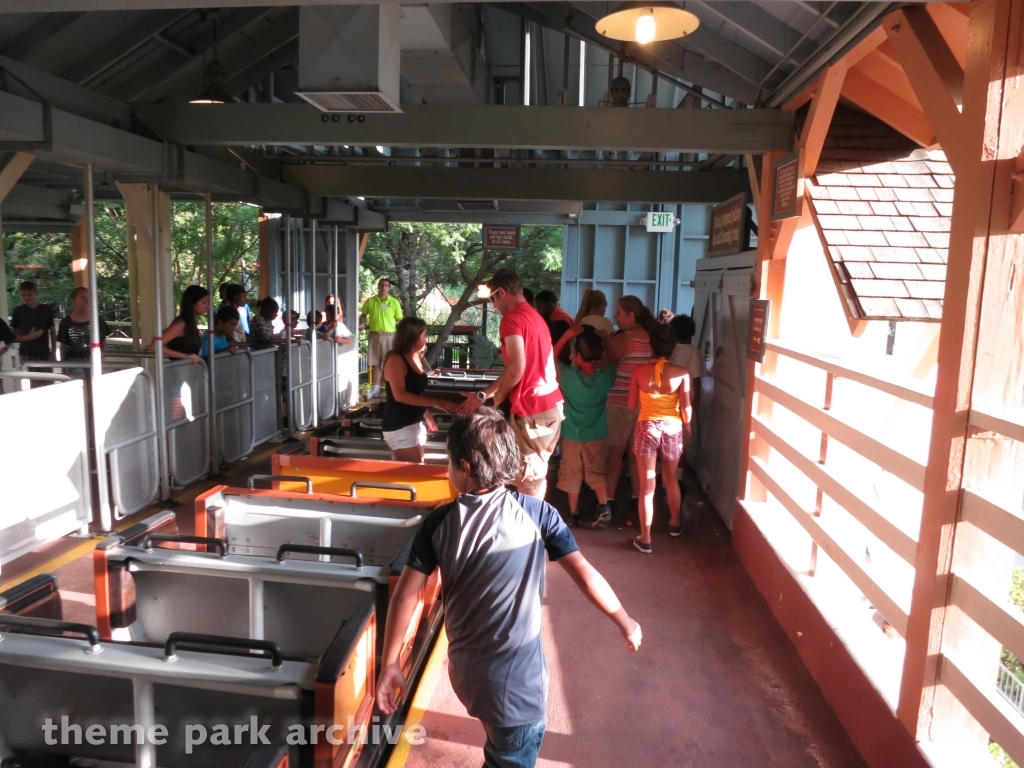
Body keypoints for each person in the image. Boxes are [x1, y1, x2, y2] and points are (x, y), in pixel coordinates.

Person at [375, 408, 642, 768]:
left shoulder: (438, 522)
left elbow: (406, 594)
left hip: (467, 674)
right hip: (518, 690)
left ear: (465, 468)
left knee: (500, 746)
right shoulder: (538, 514)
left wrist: (390, 661)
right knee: (511, 755)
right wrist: (624, 620)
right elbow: (585, 574)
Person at [458, 268, 563, 499]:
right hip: (550, 407)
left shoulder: (512, 319)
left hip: (532, 410)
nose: (494, 306)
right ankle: (533, 525)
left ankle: (528, 531)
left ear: (501, 292)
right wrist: (483, 395)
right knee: (536, 476)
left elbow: (516, 369)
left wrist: (499, 398)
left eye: (493, 299)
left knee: (528, 482)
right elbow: (514, 368)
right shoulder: (534, 317)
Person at [628, 324, 692, 553]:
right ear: (673, 346)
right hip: (672, 429)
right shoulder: (682, 372)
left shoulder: (638, 370)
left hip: (646, 427)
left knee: (647, 485)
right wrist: (688, 427)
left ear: (650, 345)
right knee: (671, 477)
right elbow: (687, 408)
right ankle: (675, 524)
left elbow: (630, 404)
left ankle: (645, 539)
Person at [596, 295, 656, 528]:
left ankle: (608, 500)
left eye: (619, 313)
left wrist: (604, 339)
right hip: (645, 404)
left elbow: (605, 362)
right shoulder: (652, 338)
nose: (615, 317)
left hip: (621, 403)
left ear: (631, 316)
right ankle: (638, 497)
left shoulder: (626, 338)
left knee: (614, 454)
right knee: (636, 455)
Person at [553, 324, 616, 527]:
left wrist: (566, 335)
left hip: (572, 435)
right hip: (597, 435)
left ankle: (573, 513)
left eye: (574, 354)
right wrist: (606, 339)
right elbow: (614, 360)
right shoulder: (605, 378)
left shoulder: (569, 378)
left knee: (572, 474)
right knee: (597, 472)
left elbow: (550, 358)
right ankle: (604, 506)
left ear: (579, 356)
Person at [381, 317, 458, 462]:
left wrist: (426, 414)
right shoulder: (395, 359)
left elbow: (415, 391)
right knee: (413, 470)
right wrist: (435, 402)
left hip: (414, 422)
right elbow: (400, 395)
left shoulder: (416, 357)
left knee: (417, 465)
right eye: (424, 335)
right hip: (399, 425)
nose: (426, 339)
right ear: (413, 337)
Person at [359, 278, 402, 398]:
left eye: (386, 285)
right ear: (378, 286)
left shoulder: (394, 302)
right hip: (374, 335)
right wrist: (362, 323)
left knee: (389, 363)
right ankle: (376, 389)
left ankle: (392, 389)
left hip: (389, 336)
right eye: (382, 284)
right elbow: (363, 315)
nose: (384, 287)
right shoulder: (370, 301)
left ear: (389, 288)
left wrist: (403, 335)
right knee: (376, 363)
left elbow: (400, 320)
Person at [148, 285, 209, 364]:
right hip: (179, 371)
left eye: (208, 303)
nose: (208, 306)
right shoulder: (181, 323)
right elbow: (154, 346)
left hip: (189, 370)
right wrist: (184, 356)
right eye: (204, 302)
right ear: (192, 303)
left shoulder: (190, 323)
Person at [57, 287, 111, 375]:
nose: (87, 301)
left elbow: (103, 343)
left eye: (89, 298)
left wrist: (101, 361)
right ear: (74, 300)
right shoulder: (66, 322)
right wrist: (63, 367)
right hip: (73, 359)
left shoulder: (97, 319)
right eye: (83, 298)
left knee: (93, 383)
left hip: (93, 357)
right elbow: (63, 347)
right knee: (80, 379)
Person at [11, 281, 56, 363]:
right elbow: (12, 335)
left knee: (46, 375)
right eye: (23, 295)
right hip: (26, 352)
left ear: (36, 293)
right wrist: (29, 337)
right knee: (29, 375)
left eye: (29, 295)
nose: (26, 298)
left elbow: (52, 331)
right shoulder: (17, 311)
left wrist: (53, 352)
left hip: (44, 352)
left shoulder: (46, 309)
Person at [669, 314, 705, 405]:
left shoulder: (667, 349)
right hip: (688, 398)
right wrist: (697, 398)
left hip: (668, 396)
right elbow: (696, 378)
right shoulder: (694, 351)